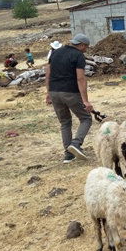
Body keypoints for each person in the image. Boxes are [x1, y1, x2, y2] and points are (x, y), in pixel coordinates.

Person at [45, 33, 94, 163]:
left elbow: (48, 74)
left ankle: (68, 154)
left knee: (65, 122)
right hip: (70, 92)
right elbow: (81, 78)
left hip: (54, 92)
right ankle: (76, 143)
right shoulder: (78, 56)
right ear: (82, 45)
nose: (86, 50)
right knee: (86, 118)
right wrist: (85, 101)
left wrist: (48, 93)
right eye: (86, 47)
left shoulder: (55, 53)